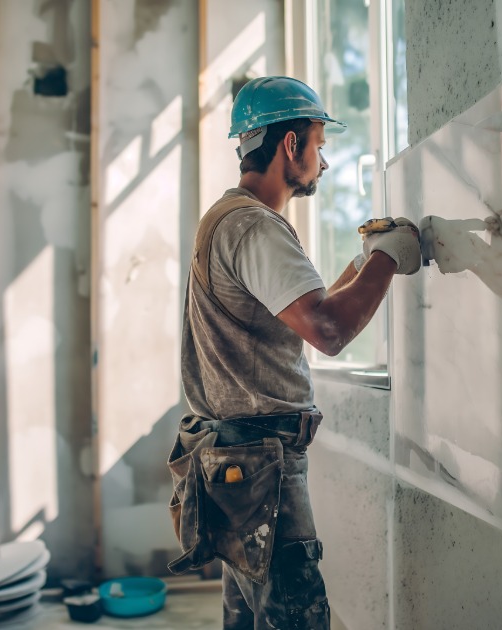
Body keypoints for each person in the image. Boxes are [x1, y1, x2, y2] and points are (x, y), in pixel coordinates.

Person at [166, 76, 422, 630]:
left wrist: (363, 264)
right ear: (290, 145)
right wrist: (391, 258)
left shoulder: (226, 219)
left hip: (233, 459)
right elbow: (327, 331)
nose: (323, 163)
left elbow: (304, 311)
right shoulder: (255, 227)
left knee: (250, 616)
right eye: (318, 146)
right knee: (293, 616)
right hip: (262, 464)